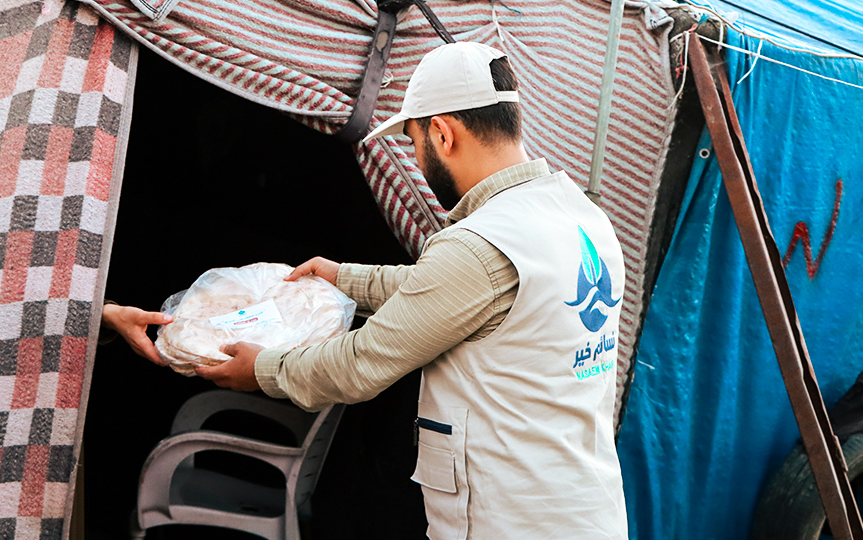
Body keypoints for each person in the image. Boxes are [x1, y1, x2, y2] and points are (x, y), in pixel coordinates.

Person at [112, 41, 628, 538]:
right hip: (584, 506)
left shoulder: (480, 244)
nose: (420, 166)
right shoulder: (580, 217)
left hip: (511, 521)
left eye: (415, 144)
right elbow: (453, 292)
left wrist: (261, 370)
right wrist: (343, 277)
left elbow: (360, 363)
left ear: (443, 134)